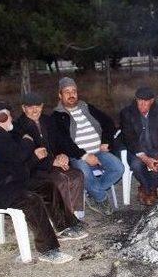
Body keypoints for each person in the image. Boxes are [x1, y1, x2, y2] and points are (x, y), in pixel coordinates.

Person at [0, 102, 87, 264]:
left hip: (10, 180)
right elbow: (19, 158)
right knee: (32, 200)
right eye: (8, 115)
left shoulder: (2, 133)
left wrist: (33, 155)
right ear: (1, 117)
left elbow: (18, 166)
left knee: (46, 186)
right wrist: (28, 142)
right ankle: (48, 250)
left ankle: (65, 226)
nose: (11, 118)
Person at [52, 77, 124, 215]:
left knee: (118, 168)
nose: (71, 94)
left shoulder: (87, 107)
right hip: (76, 156)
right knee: (85, 172)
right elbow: (63, 141)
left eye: (74, 91)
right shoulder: (57, 116)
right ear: (60, 95)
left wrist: (106, 141)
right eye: (67, 92)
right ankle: (101, 198)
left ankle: (92, 193)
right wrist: (85, 156)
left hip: (99, 151)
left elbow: (108, 122)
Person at [13, 92, 86, 219]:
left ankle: (75, 214)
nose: (35, 110)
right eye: (30, 107)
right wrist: (51, 162)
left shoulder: (48, 120)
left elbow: (61, 141)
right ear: (23, 108)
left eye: (38, 106)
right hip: (34, 168)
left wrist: (63, 155)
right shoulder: (17, 127)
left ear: (42, 106)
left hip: (54, 163)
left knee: (77, 175)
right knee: (60, 179)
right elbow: (25, 156)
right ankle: (63, 218)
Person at [119, 87, 158, 205]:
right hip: (137, 150)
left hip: (156, 149)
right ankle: (151, 189)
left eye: (146, 101)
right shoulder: (127, 113)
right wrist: (145, 158)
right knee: (136, 165)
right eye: (140, 101)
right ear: (136, 100)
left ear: (152, 101)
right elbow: (129, 138)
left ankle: (146, 187)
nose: (142, 104)